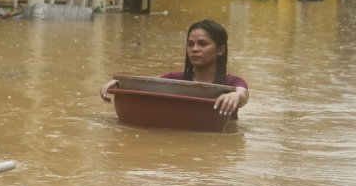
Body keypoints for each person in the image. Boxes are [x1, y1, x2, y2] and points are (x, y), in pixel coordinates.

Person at [100, 18, 249, 118]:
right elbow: (146, 85)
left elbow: (242, 95)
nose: (194, 49)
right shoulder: (174, 79)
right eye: (190, 44)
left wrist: (235, 96)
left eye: (202, 44)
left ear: (221, 50)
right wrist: (120, 85)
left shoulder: (233, 83)